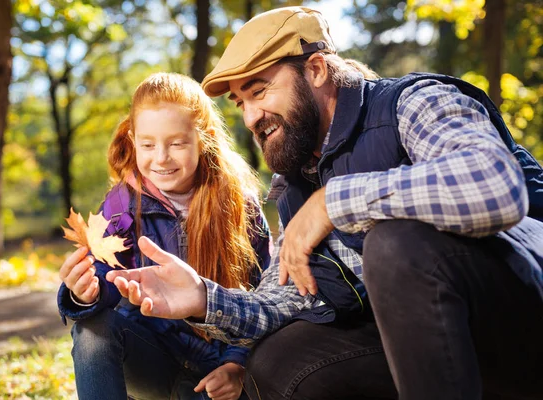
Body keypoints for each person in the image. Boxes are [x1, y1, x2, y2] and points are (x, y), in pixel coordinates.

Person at [107, 6, 543, 400]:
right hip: (431, 355)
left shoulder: (413, 103)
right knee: (279, 360)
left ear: (315, 69)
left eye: (259, 92)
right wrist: (203, 297)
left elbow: (495, 183)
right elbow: (287, 300)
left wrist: (334, 202)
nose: (251, 117)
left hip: (520, 324)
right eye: (241, 103)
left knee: (395, 243)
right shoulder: (296, 185)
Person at [57, 72, 271, 400]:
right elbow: (103, 279)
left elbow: (264, 293)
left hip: (221, 373)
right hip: (154, 359)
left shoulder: (240, 203)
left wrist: (237, 364)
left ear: (204, 139)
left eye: (176, 143)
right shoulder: (120, 205)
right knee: (92, 331)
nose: (161, 158)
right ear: (132, 139)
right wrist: (84, 293)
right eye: (147, 144)